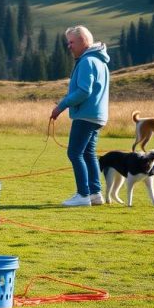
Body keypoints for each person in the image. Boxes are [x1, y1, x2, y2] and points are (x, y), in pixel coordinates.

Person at [50, 25, 110, 207]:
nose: (68, 46)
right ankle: (95, 194)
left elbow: (84, 91)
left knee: (74, 153)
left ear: (83, 41)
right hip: (97, 116)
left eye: (71, 42)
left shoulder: (86, 61)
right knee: (88, 153)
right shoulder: (99, 61)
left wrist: (61, 105)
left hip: (85, 115)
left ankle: (83, 195)